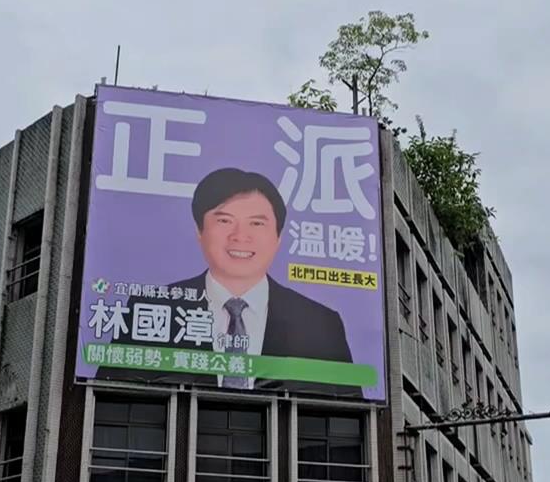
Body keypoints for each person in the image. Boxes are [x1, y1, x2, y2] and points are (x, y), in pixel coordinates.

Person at [107, 167, 360, 398]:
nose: (240, 236)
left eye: (257, 223)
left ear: (278, 237)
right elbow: (110, 402)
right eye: (224, 221)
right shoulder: (151, 309)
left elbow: (350, 419)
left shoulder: (321, 324)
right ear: (199, 230)